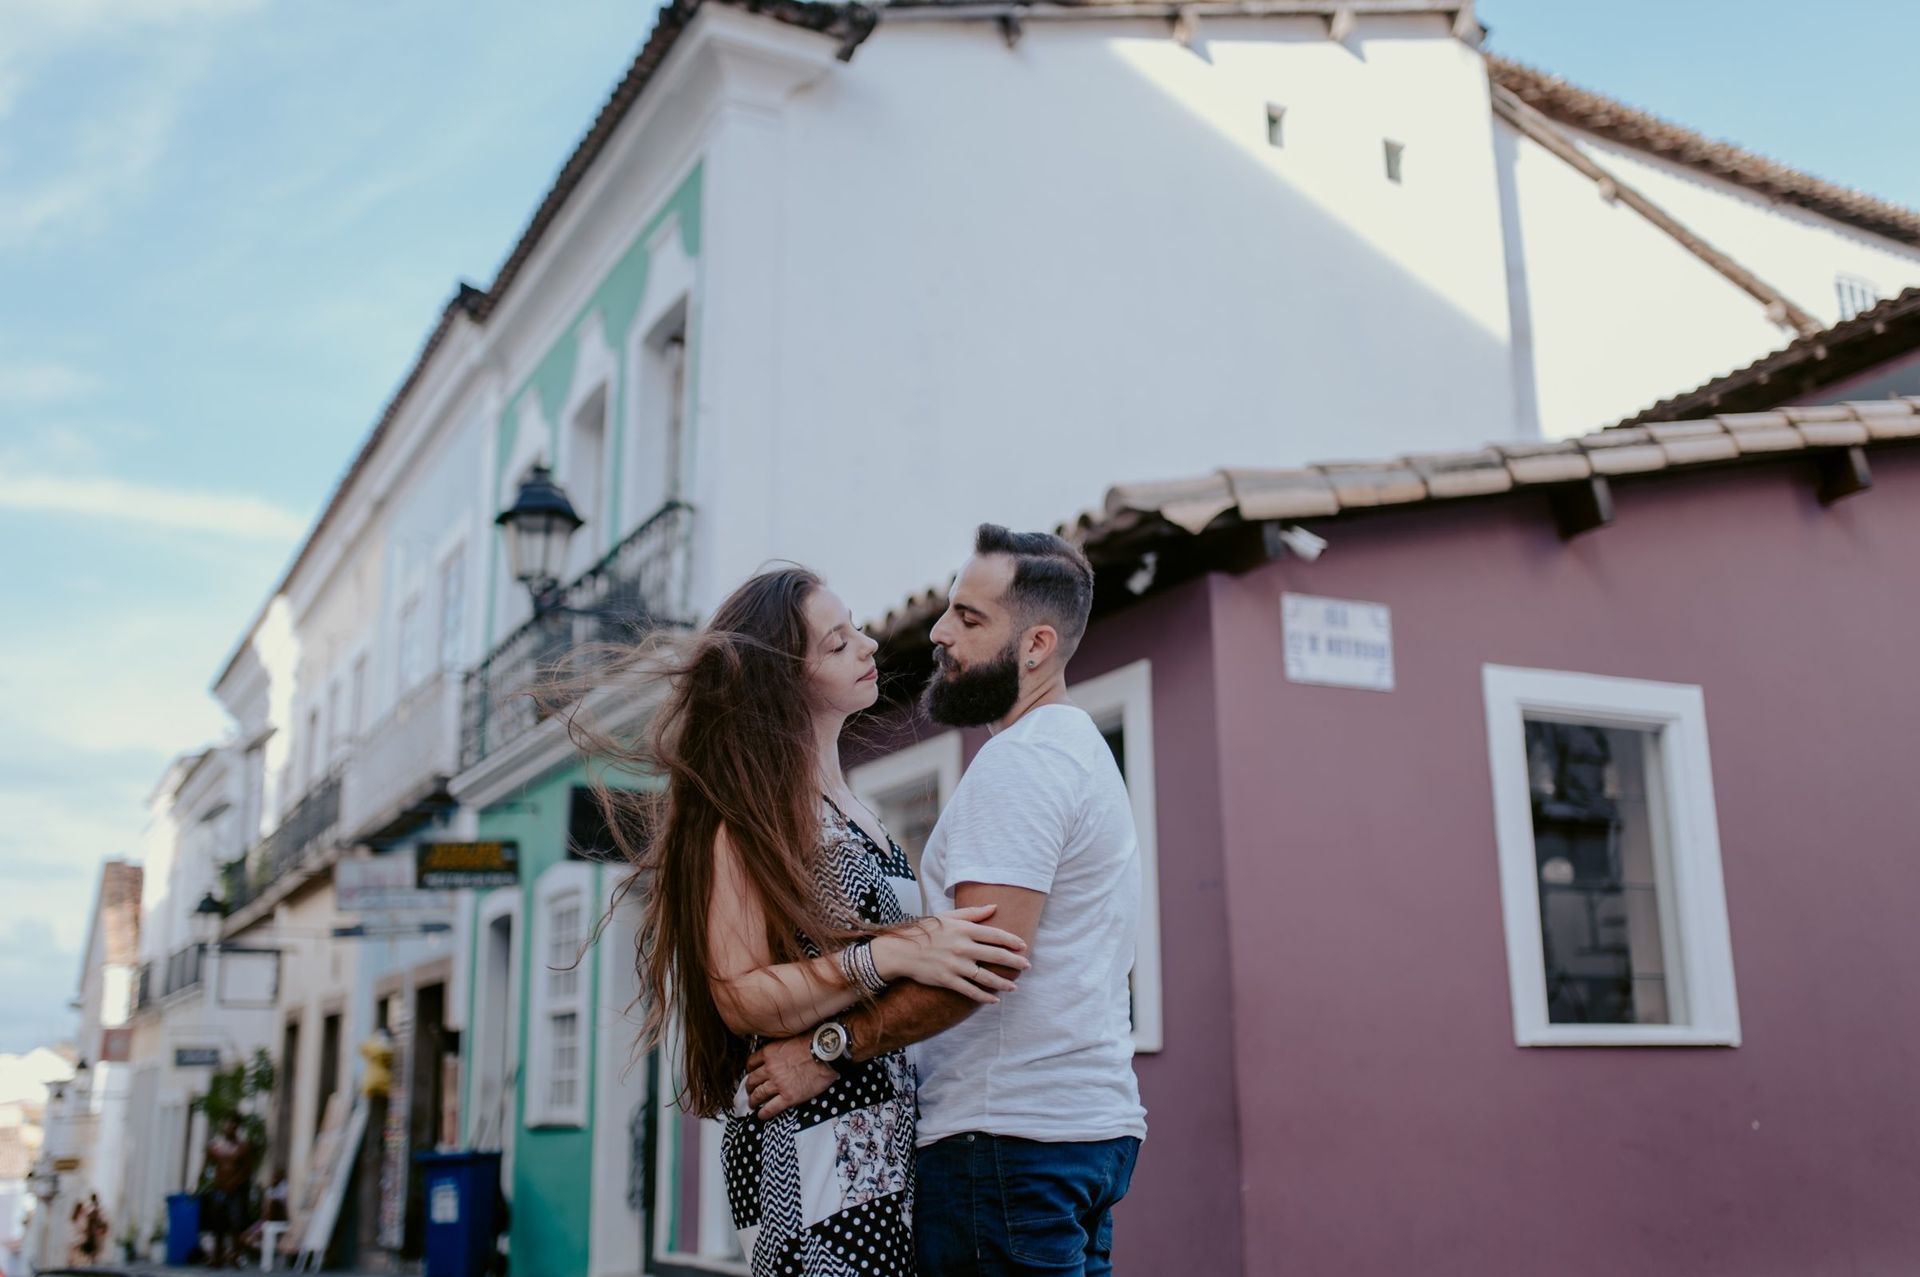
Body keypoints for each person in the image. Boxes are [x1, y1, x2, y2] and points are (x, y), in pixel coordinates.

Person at [592, 567, 1031, 1275]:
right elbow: (736, 994)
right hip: (805, 1146)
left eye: (854, 628)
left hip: (881, 1137)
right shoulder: (749, 818)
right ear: (784, 682)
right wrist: (889, 955)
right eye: (837, 642)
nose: (867, 645)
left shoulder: (857, 811)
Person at [745, 525, 1148, 1276]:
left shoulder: (1022, 763)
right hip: (1072, 1139)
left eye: (968, 618)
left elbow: (979, 968)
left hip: (1006, 1143)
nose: (938, 632)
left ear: (1035, 646)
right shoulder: (1077, 750)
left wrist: (826, 1050)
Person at [203, 1117, 254, 1268]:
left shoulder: (242, 1147)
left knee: (235, 1223)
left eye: (232, 1127)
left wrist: (235, 1182)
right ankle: (217, 1255)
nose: (229, 1129)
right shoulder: (216, 1146)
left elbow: (247, 1170)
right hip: (219, 1189)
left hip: (235, 1191)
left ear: (236, 1129)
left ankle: (235, 1255)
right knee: (217, 1223)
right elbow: (207, 1165)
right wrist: (202, 1182)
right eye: (227, 1126)